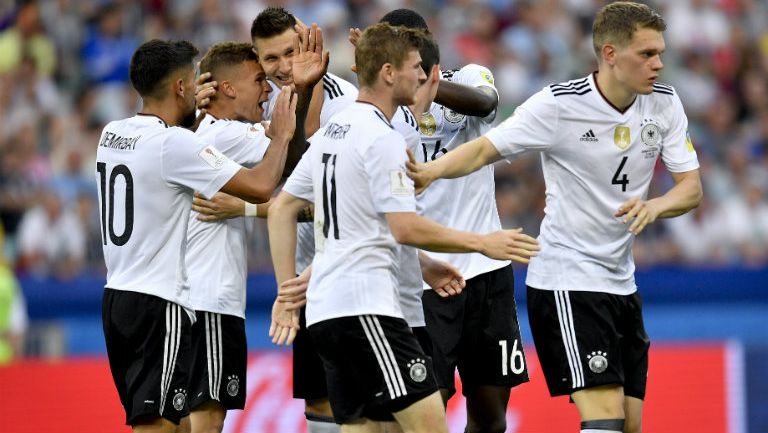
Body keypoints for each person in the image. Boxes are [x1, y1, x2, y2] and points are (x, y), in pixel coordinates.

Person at [406, 3, 703, 433]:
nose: (659, 63)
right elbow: (488, 146)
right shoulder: (559, 105)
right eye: (647, 54)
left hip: (622, 279)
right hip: (567, 279)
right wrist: (431, 171)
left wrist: (654, 206)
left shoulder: (665, 103)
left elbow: (691, 188)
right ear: (610, 53)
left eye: (660, 52)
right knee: (604, 422)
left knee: (630, 426)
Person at [267, 23, 539, 433]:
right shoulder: (383, 138)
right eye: (416, 66)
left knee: (374, 427)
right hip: (369, 307)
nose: (425, 75)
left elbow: (285, 207)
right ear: (390, 72)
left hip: (328, 310)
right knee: (430, 424)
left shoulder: (335, 131)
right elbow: (404, 227)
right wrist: (483, 242)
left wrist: (291, 286)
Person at [98, 39, 300, 433]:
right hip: (161, 303)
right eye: (193, 81)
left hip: (117, 297)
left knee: (159, 422)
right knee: (164, 425)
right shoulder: (175, 143)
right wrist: (280, 137)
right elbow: (260, 187)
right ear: (179, 88)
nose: (199, 89)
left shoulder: (112, 133)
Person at [193, 8, 358, 433]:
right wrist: (192, 111)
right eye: (270, 60)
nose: (283, 68)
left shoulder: (346, 105)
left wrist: (243, 207)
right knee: (320, 402)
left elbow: (342, 202)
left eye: (290, 52)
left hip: (352, 273)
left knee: (365, 404)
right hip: (302, 277)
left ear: (306, 41)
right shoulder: (264, 113)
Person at [370, 9, 531, 433]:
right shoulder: (377, 108)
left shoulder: (470, 77)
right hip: (423, 278)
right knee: (427, 412)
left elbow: (487, 104)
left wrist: (430, 85)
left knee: (491, 417)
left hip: (487, 273)